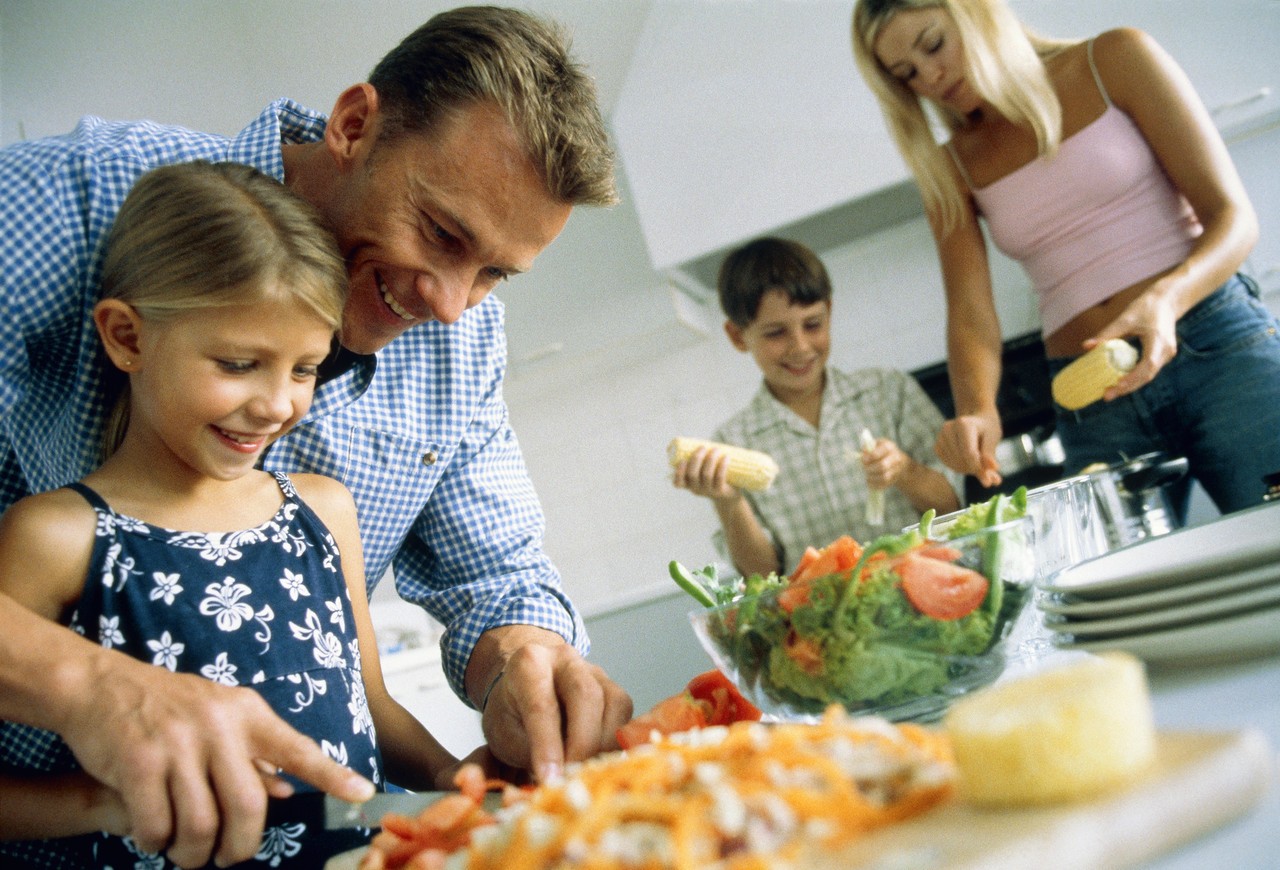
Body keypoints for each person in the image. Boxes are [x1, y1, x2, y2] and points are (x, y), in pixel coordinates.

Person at [0, 6, 631, 867]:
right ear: (354, 125)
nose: (450, 304)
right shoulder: (75, 202)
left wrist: (527, 664)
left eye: (492, 272)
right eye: (443, 234)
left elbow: (497, 576)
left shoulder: (460, 341)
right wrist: (92, 689)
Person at [0, 160, 481, 867]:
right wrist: (102, 802)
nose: (276, 404)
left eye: (304, 369)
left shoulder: (322, 508)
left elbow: (370, 705)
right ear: (127, 337)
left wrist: (452, 779)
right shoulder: (59, 536)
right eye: (236, 364)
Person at [851, 0, 1280, 517]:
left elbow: (1234, 219)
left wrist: (1164, 302)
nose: (931, 76)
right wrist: (977, 410)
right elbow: (970, 314)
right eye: (908, 74)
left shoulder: (1115, 59)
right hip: (1093, 398)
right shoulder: (950, 166)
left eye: (934, 44)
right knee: (1125, 592)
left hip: (1216, 347)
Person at [672, 237, 960, 578]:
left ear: (830, 312)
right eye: (776, 332)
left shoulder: (887, 391)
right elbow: (761, 573)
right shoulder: (733, 441)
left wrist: (905, 471)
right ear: (737, 336)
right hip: (821, 620)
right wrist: (727, 500)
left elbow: (951, 507)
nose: (801, 346)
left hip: (923, 589)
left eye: (812, 324)